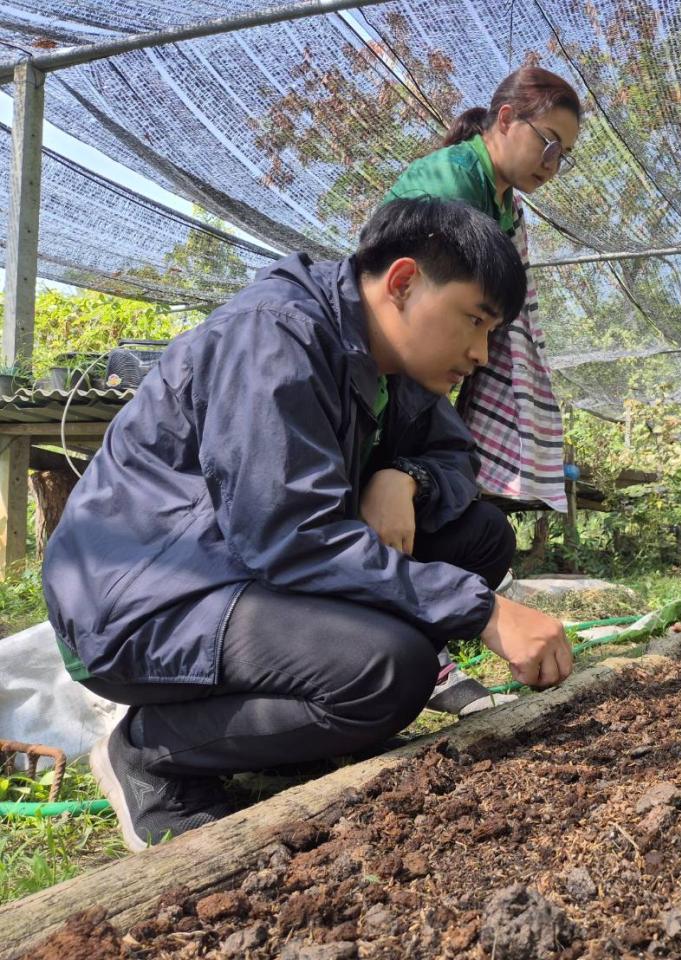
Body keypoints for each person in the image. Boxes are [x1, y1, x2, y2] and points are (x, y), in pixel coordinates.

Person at [42, 198, 574, 851]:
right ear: (403, 283)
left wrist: (405, 479)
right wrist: (485, 614)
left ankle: (299, 725)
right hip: (140, 596)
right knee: (386, 672)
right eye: (474, 320)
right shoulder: (273, 339)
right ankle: (150, 755)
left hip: (244, 567)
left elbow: (458, 458)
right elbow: (290, 534)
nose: (480, 352)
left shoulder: (397, 367)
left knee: (480, 535)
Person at [376, 66, 582, 714]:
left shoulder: (501, 201)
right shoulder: (450, 184)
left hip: (419, 394)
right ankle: (397, 654)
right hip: (394, 382)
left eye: (565, 154)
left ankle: (419, 646)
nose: (554, 161)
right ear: (504, 120)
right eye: (548, 141)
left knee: (484, 532)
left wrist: (406, 474)